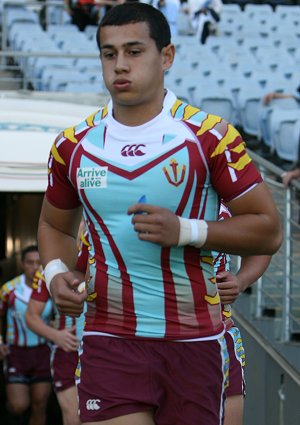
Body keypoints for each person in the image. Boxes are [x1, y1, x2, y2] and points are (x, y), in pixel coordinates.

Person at [37, 3, 282, 425]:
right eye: (109, 54)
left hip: (195, 342)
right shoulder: (73, 145)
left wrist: (186, 230)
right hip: (108, 337)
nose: (120, 66)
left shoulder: (211, 137)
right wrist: (58, 271)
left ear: (165, 56)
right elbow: (52, 224)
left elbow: (268, 231)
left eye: (134, 51)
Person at [215, 203, 271, 425]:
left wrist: (241, 280)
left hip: (217, 336)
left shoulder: (227, 187)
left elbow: (266, 238)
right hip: (141, 337)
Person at [25, 228, 89, 425]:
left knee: (98, 417)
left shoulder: (108, 261)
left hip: (101, 348)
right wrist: (56, 336)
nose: (82, 228)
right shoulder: (50, 268)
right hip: (66, 351)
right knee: (74, 418)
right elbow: (31, 316)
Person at [0, 245, 53, 425]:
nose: (35, 267)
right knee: (19, 405)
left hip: (43, 352)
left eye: (39, 262)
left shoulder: (52, 288)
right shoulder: (9, 289)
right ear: (23, 264)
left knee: (39, 405)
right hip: (16, 354)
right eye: (30, 262)